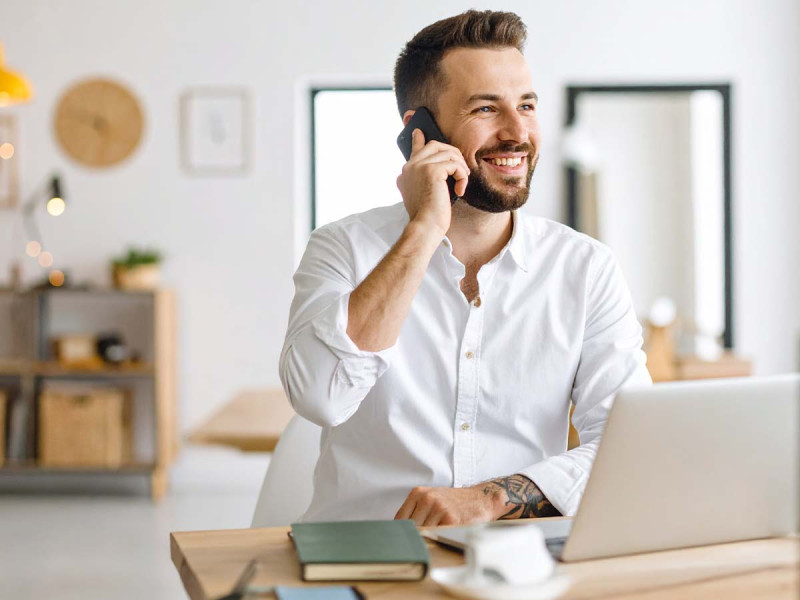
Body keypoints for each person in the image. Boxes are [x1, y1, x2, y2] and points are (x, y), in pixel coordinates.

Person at [279, 10, 651, 526]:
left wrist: (490, 498)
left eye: (526, 105)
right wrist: (426, 228)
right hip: (363, 552)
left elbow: (627, 445)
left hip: (516, 558)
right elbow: (321, 398)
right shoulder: (342, 247)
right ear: (421, 131)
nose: (518, 133)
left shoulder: (584, 268)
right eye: (486, 109)